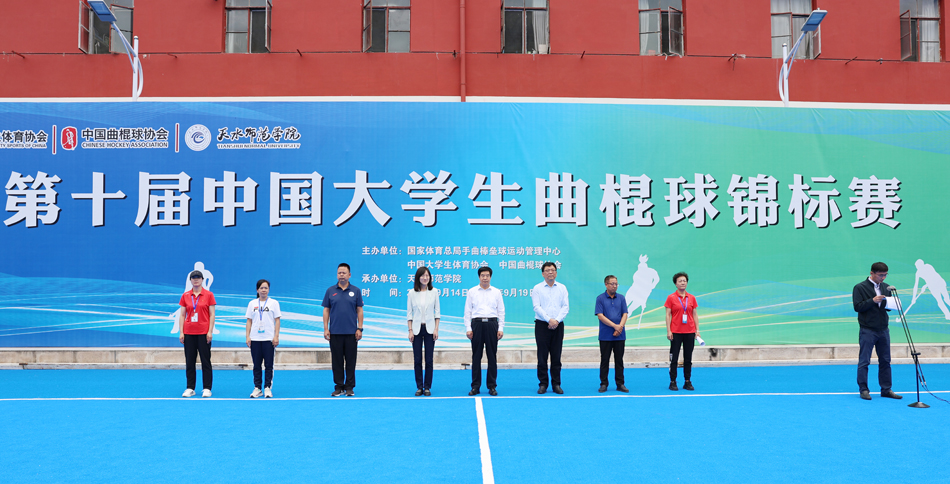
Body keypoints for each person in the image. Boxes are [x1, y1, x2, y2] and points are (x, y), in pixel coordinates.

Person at [853, 262, 902, 401]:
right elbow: (857, 307)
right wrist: (872, 300)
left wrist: (894, 303)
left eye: (885, 275)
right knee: (864, 361)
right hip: (867, 329)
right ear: (872, 273)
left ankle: (886, 389)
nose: (883, 278)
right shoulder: (860, 287)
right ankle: (864, 389)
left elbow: (887, 308)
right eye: (880, 275)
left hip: (883, 329)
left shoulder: (887, 287)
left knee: (885, 361)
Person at [322, 263, 364, 397]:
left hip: (351, 333)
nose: (341, 275)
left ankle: (349, 387)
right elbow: (326, 310)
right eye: (339, 273)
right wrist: (326, 328)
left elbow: (359, 310)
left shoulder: (356, 291)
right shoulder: (330, 291)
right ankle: (339, 386)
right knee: (337, 361)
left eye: (344, 273)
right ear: (337, 275)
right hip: (335, 332)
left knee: (351, 361)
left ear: (349, 275)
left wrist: (360, 328)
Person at [464, 266, 505, 396]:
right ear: (479, 277)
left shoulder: (496, 292)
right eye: (483, 275)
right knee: (476, 357)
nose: (485, 278)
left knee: (492, 356)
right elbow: (467, 311)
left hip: (492, 324)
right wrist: (468, 328)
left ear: (490, 277)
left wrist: (500, 328)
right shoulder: (472, 291)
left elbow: (501, 311)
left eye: (487, 275)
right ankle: (475, 386)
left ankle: (492, 386)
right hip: (476, 325)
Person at [531, 262, 569, 394]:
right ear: (543, 274)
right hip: (542, 325)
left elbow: (565, 307)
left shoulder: (562, 288)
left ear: (556, 273)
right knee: (542, 356)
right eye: (547, 270)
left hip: (558, 325)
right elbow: (536, 307)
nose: (550, 272)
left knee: (556, 356)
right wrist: (549, 320)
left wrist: (556, 320)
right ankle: (543, 384)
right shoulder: (537, 288)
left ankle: (556, 384)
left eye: (553, 270)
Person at [178, 270, 216, 398]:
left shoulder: (209, 295)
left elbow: (212, 314)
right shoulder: (185, 295)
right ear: (190, 280)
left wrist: (210, 331)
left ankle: (207, 388)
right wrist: (181, 332)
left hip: (203, 333)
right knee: (190, 361)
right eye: (193, 278)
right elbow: (182, 315)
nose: (196, 280)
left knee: (206, 361)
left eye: (198, 278)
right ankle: (190, 388)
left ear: (202, 280)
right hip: (189, 332)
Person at [408, 266, 440, 396]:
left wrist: (436, 329)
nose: (425, 278)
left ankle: (427, 387)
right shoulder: (412, 293)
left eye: (427, 275)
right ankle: (419, 387)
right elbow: (409, 314)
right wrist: (410, 330)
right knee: (417, 360)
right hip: (416, 329)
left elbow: (437, 313)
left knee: (429, 360)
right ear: (418, 278)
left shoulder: (434, 292)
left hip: (430, 329)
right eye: (422, 275)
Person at [246, 279, 281, 398]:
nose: (264, 290)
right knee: (256, 365)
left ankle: (267, 388)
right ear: (257, 290)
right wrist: (248, 336)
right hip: (255, 338)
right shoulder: (252, 303)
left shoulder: (274, 303)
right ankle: (257, 388)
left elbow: (277, 320)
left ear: (269, 290)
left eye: (266, 288)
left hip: (268, 339)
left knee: (268, 365)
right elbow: (249, 321)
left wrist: (276, 336)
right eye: (261, 288)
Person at [665, 272, 700, 391]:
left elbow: (695, 315)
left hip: (689, 331)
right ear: (675, 284)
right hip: (675, 332)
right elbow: (667, 315)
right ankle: (673, 381)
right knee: (674, 358)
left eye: (684, 281)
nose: (682, 283)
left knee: (688, 358)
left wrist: (697, 330)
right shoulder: (671, 297)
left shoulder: (692, 298)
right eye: (680, 281)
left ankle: (687, 381)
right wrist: (669, 330)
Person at [595, 275, 628, 393]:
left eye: (616, 284)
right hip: (605, 336)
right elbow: (600, 316)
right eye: (612, 284)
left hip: (620, 335)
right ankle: (604, 383)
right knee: (605, 360)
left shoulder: (621, 298)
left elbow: (625, 314)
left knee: (619, 360)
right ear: (606, 284)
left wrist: (620, 327)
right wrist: (615, 326)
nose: (614, 286)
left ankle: (620, 384)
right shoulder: (600, 298)